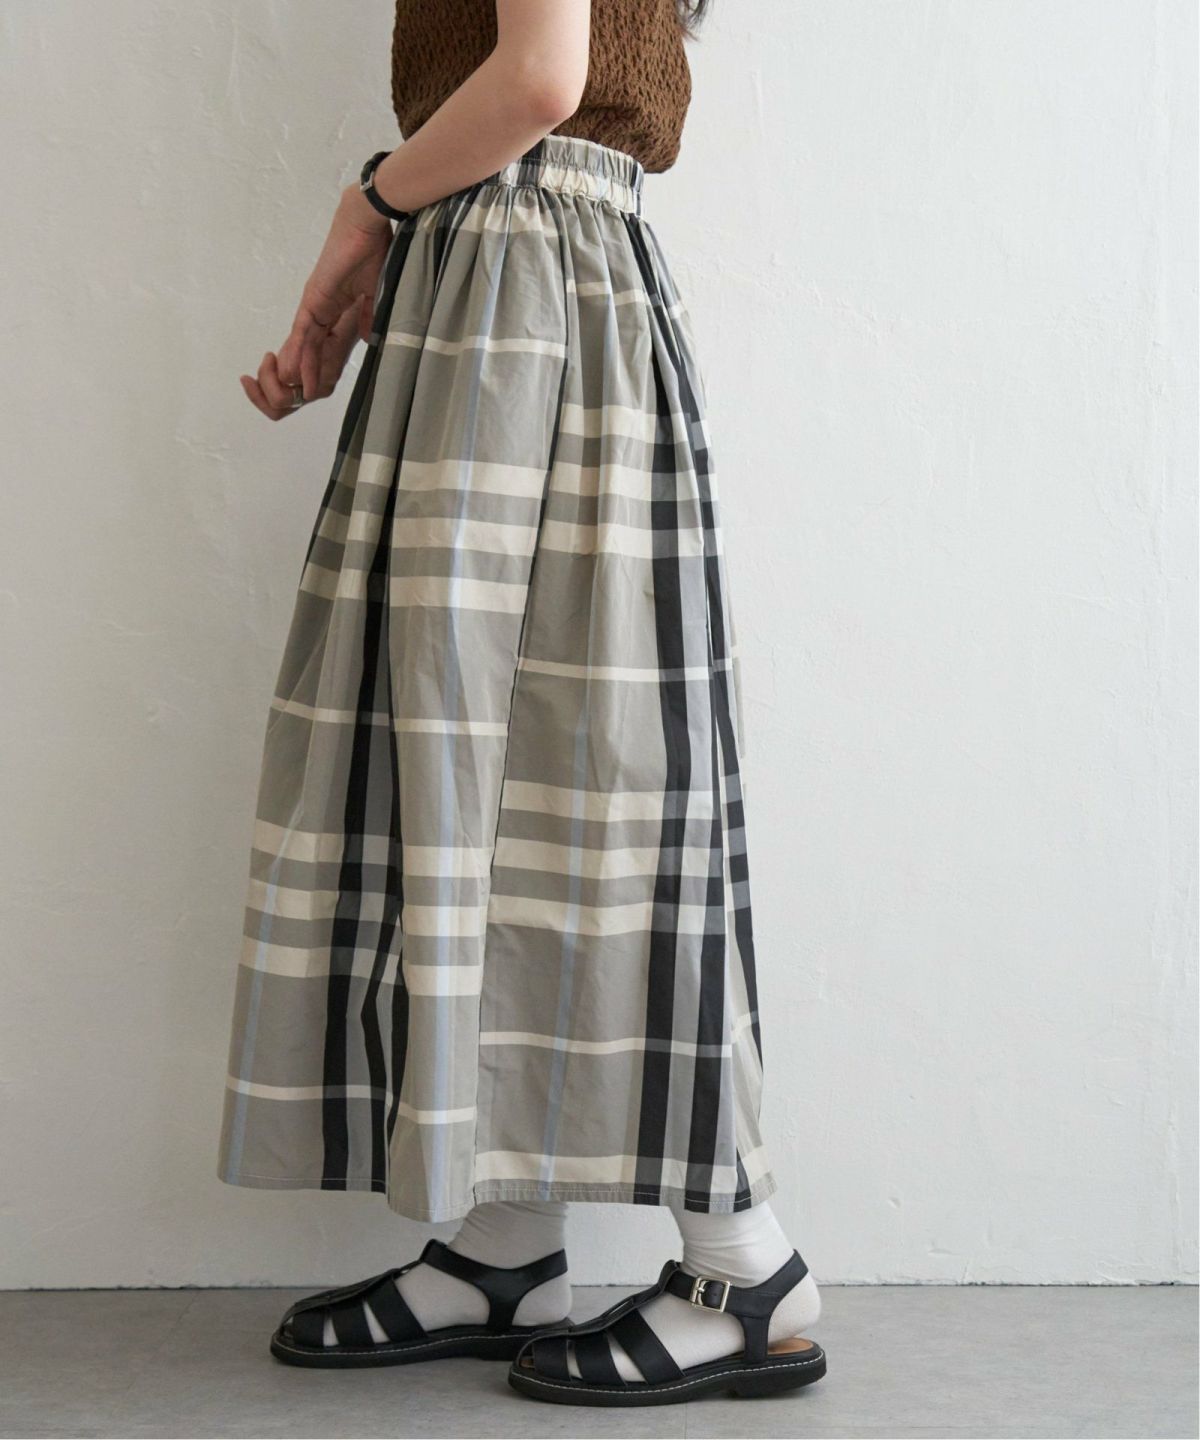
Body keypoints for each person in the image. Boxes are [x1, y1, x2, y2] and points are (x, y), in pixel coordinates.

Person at [219, 0, 825, 1407]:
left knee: (597, 777)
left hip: (526, 282)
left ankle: (746, 1265)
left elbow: (544, 78)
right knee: (509, 769)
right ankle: (509, 1242)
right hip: (505, 277)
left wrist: (370, 204)